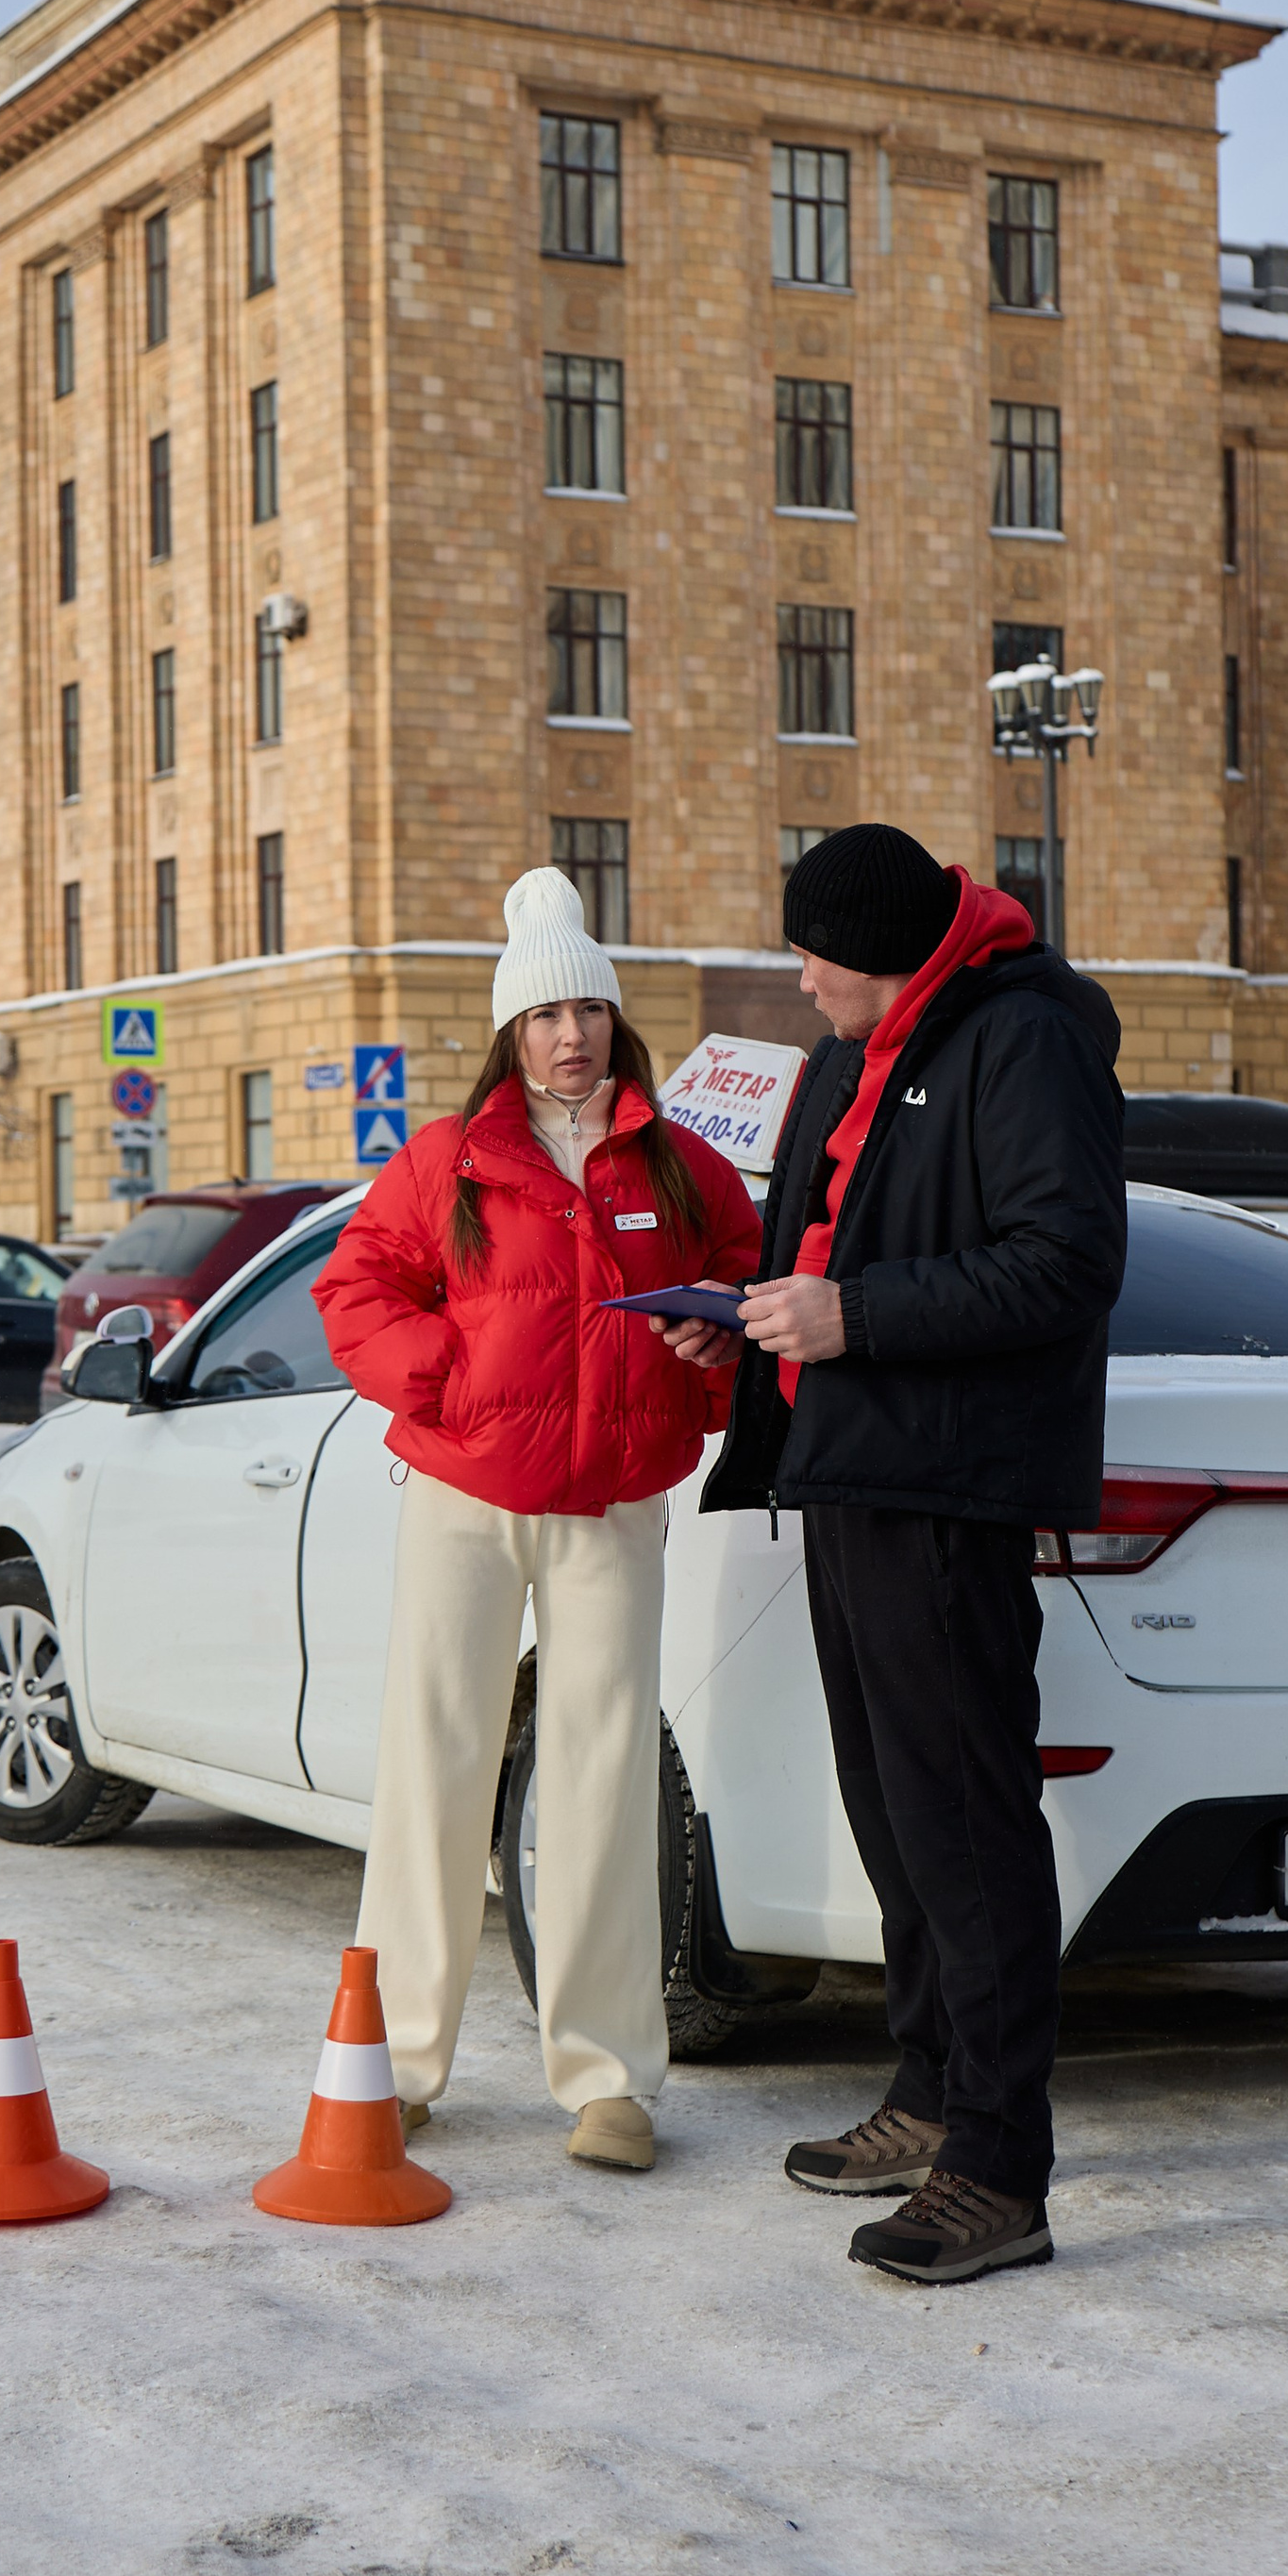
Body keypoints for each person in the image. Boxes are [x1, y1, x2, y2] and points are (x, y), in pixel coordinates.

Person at [699, 822, 1125, 2283]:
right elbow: (821, 1244)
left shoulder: (1024, 1039)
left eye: (815, 951)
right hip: (851, 1470)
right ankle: (933, 2087)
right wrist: (750, 1318)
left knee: (966, 1816)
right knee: (890, 1802)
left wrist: (851, 1318)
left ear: (885, 948)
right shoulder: (845, 1056)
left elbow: (1066, 1262)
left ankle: (1000, 2170)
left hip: (953, 1480)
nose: (799, 975)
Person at [313, 867, 761, 2170]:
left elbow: (744, 1285)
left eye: (590, 1010)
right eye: (546, 1014)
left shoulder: (681, 1166)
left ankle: (610, 2081)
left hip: (615, 1509)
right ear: (512, 1034)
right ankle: (395, 2062)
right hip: (464, 1498)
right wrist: (440, 1380)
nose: (572, 1035)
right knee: (432, 1768)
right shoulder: (450, 1160)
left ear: (619, 1024)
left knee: (602, 1783)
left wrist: (709, 1343)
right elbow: (356, 1289)